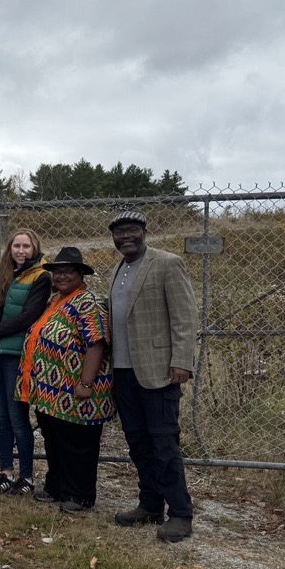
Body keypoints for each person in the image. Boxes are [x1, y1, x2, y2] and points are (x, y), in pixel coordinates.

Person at [108, 210, 197, 543]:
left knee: (164, 443)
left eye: (131, 230)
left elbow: (185, 317)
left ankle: (181, 513)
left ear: (145, 231)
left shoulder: (167, 263)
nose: (125, 236)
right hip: (124, 372)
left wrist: (182, 360)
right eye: (119, 232)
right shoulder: (119, 269)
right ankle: (150, 504)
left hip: (159, 371)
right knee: (138, 443)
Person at [16, 247, 115, 513]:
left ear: (81, 275)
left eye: (68, 271)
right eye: (57, 272)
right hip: (52, 392)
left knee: (77, 441)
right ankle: (57, 485)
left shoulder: (88, 302)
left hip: (77, 388)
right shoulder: (56, 301)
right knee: (54, 438)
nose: (61, 276)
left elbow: (97, 343)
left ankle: (79, 494)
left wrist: (85, 383)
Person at [0, 228, 51, 496]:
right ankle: (6, 471)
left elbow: (28, 316)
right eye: (16, 246)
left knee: (17, 417)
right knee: (0, 417)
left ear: (35, 248)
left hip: (16, 356)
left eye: (26, 246)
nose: (21, 251)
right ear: (10, 249)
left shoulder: (42, 276)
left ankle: (27, 476)